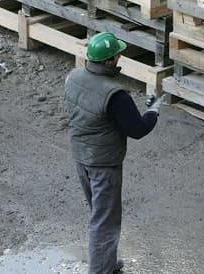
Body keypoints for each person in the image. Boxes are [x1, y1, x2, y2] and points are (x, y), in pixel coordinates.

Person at [64, 32, 164, 274]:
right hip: (104, 165)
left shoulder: (74, 77)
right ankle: (100, 271)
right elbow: (137, 129)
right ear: (109, 61)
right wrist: (153, 111)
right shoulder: (115, 94)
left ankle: (106, 263)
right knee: (104, 223)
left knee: (100, 214)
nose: (120, 57)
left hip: (81, 157)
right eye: (117, 55)